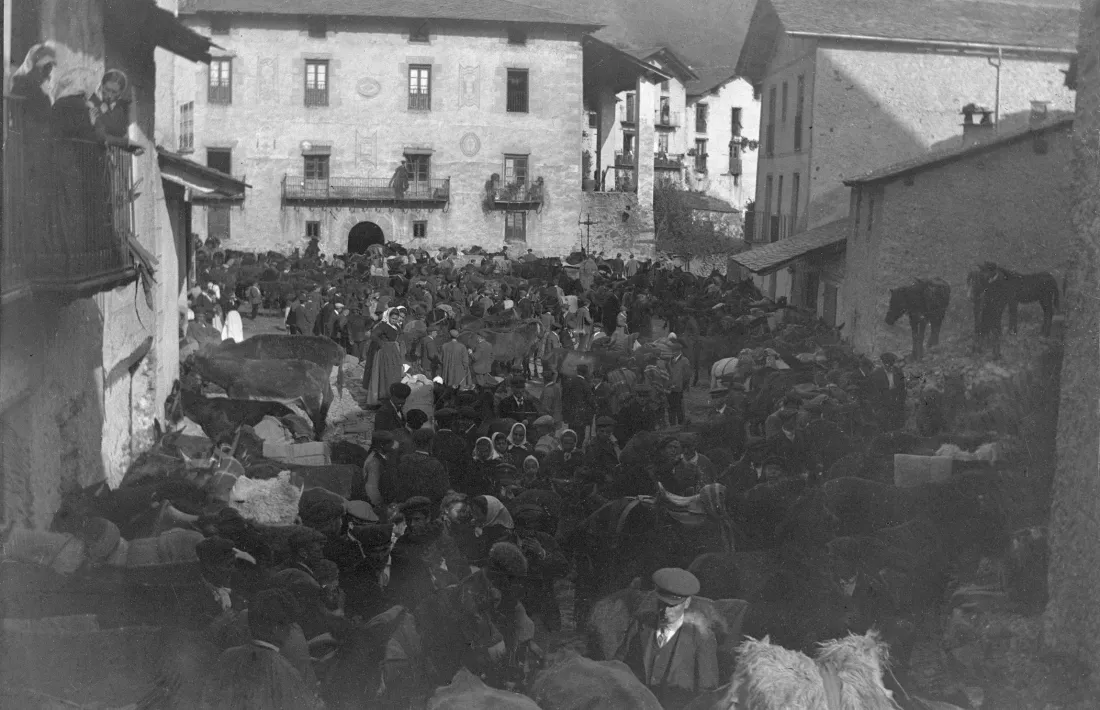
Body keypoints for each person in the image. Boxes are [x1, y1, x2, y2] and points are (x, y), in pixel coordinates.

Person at [200, 588, 325, 710]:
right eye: (288, 625)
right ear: (277, 628)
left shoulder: (227, 656)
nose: (290, 631)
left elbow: (208, 700)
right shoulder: (287, 671)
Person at [617, 568, 719, 709]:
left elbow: (707, 690)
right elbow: (619, 667)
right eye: (662, 604)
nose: (666, 611)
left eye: (673, 606)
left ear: (687, 602)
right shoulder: (641, 625)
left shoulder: (701, 637)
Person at [364, 307, 407, 406]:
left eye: (396, 319)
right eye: (393, 318)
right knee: (386, 374)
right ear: (388, 316)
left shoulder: (396, 325)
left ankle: (392, 396)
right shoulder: (383, 325)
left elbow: (400, 334)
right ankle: (383, 396)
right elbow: (373, 335)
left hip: (394, 352)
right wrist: (382, 344)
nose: (395, 321)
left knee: (394, 373)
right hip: (385, 353)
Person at [870, 352, 907, 431]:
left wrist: (901, 402)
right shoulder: (876, 374)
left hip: (896, 402)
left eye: (891, 365)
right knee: (885, 426)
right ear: (883, 364)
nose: (889, 367)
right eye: (887, 365)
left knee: (898, 425)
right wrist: (878, 407)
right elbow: (874, 393)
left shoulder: (898, 372)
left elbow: (902, 389)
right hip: (883, 403)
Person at [666, 342, 692, 426]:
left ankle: (681, 424)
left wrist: (683, 385)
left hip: (679, 387)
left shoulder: (684, 361)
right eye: (672, 351)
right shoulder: (670, 361)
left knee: (678, 406)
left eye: (675, 351)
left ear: (679, 351)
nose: (673, 352)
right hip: (670, 387)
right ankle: (672, 424)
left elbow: (687, 375)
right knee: (670, 407)